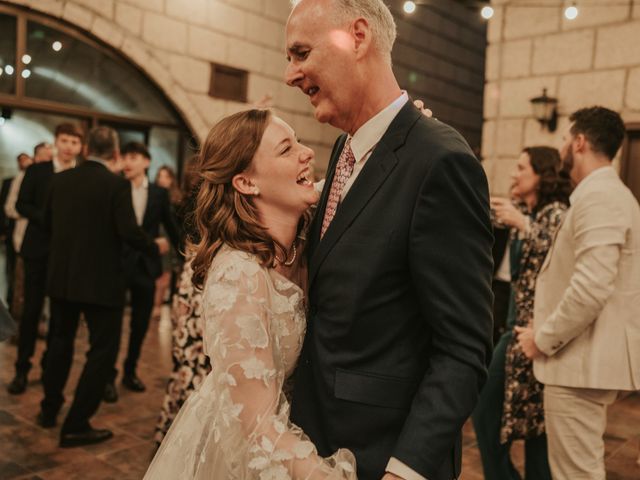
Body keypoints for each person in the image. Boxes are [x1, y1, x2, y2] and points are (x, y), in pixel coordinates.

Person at [284, 1, 494, 479]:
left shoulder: (441, 162)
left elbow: (463, 347)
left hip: (383, 454)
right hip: (317, 440)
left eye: (300, 53)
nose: (290, 75)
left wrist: (406, 469)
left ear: (358, 37)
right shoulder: (343, 147)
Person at [145, 109, 357, 479]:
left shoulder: (305, 231)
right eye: (286, 148)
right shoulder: (238, 275)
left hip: (305, 423)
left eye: (299, 143)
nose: (306, 153)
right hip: (248, 446)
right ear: (246, 183)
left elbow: (357, 175)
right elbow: (257, 424)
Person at [517, 106, 640, 479]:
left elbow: (591, 287)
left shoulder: (600, 195)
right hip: (583, 361)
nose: (564, 147)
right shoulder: (602, 193)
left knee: (576, 473)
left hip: (579, 364)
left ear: (580, 141)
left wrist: (543, 339)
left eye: (566, 139)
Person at [38, 127, 169, 447]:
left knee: (59, 342)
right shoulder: (116, 186)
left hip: (63, 277)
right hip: (102, 281)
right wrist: (155, 246)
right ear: (113, 153)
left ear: (85, 150)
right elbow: (129, 232)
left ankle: (49, 409)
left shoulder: (60, 180)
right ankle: (76, 422)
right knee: (102, 350)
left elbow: (47, 225)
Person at [472, 147, 571, 480]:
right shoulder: (528, 213)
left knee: (510, 417)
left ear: (542, 175)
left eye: (521, 168)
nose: (513, 174)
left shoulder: (556, 213)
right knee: (519, 419)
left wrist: (523, 224)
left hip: (535, 332)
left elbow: (563, 257)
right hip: (514, 327)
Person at [7, 123, 83, 395]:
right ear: (56, 142)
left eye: (74, 142)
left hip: (65, 254)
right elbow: (20, 204)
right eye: (64, 141)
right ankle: (21, 369)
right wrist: (47, 219)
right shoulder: (38, 171)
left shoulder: (79, 175)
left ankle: (49, 367)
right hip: (37, 250)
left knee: (60, 316)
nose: (68, 147)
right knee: (31, 312)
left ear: (80, 147)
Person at [103, 142, 180, 402]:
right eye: (124, 156)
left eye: (133, 157)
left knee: (140, 324)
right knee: (112, 324)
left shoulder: (159, 193)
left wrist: (186, 254)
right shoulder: (116, 188)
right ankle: (107, 376)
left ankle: (130, 371)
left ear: (146, 162)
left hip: (146, 266)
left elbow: (170, 226)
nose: (127, 162)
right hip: (116, 264)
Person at [154, 159, 208, 446]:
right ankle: (185, 439)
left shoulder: (193, 198)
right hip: (199, 282)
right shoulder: (206, 199)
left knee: (189, 360)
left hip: (192, 280)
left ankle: (173, 431)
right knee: (193, 361)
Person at [1, 153, 32, 307]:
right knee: (12, 270)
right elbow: (5, 208)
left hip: (31, 233)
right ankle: (11, 301)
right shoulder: (11, 181)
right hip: (14, 231)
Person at [152, 165, 183, 320]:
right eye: (160, 176)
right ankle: (155, 305)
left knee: (167, 274)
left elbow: (177, 224)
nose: (162, 179)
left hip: (170, 239)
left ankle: (159, 306)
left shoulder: (176, 198)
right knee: (157, 273)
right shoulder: (152, 195)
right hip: (155, 237)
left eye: (166, 176)